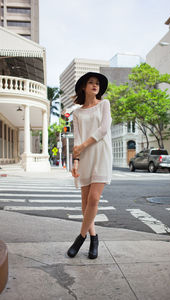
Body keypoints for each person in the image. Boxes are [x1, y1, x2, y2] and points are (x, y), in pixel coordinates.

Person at [67, 72, 112, 259]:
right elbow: (77, 139)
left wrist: (83, 146)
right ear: (84, 87)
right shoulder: (76, 113)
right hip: (84, 157)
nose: (95, 85)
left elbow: (103, 129)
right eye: (91, 82)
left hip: (101, 154)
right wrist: (75, 161)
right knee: (85, 202)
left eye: (97, 83)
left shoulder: (104, 104)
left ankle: (80, 238)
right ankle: (94, 237)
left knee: (94, 199)